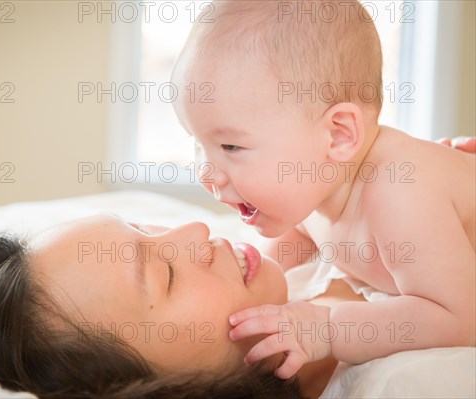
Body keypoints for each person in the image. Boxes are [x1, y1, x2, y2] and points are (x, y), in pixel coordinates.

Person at [171, 0, 475, 378]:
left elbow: (458, 317)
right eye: (197, 143)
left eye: (230, 146)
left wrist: (326, 330)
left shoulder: (400, 194)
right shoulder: (312, 191)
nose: (206, 173)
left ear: (339, 135)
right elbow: (282, 260)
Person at [0, 214, 367, 398]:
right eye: (166, 274)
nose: (196, 232)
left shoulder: (278, 283)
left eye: (146, 229)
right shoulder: (404, 376)